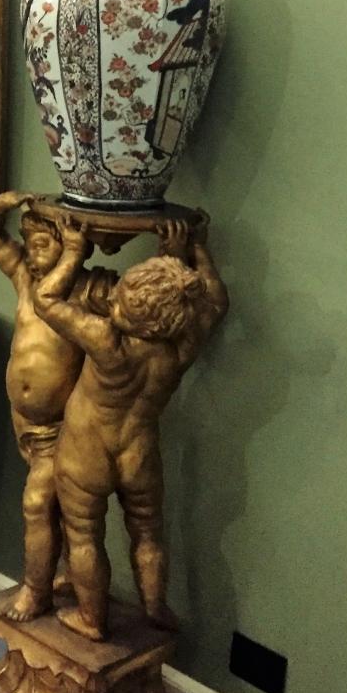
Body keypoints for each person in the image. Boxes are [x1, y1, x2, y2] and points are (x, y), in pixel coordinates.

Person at [32, 215, 229, 641]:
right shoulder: (178, 349)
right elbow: (215, 303)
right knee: (148, 531)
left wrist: (73, 252)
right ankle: (155, 605)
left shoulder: (107, 340)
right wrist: (193, 251)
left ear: (126, 308)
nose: (114, 301)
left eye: (120, 298)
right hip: (139, 453)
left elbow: (45, 299)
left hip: (86, 452)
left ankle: (92, 618)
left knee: (84, 535)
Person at [0, 192, 116, 622]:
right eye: (29, 243)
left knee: (38, 503)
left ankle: (35, 592)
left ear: (73, 245)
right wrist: (2, 202)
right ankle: (69, 574)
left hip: (61, 427)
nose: (32, 254)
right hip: (25, 421)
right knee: (55, 507)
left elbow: (133, 313)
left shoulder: (88, 291)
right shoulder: (26, 280)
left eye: (42, 245)